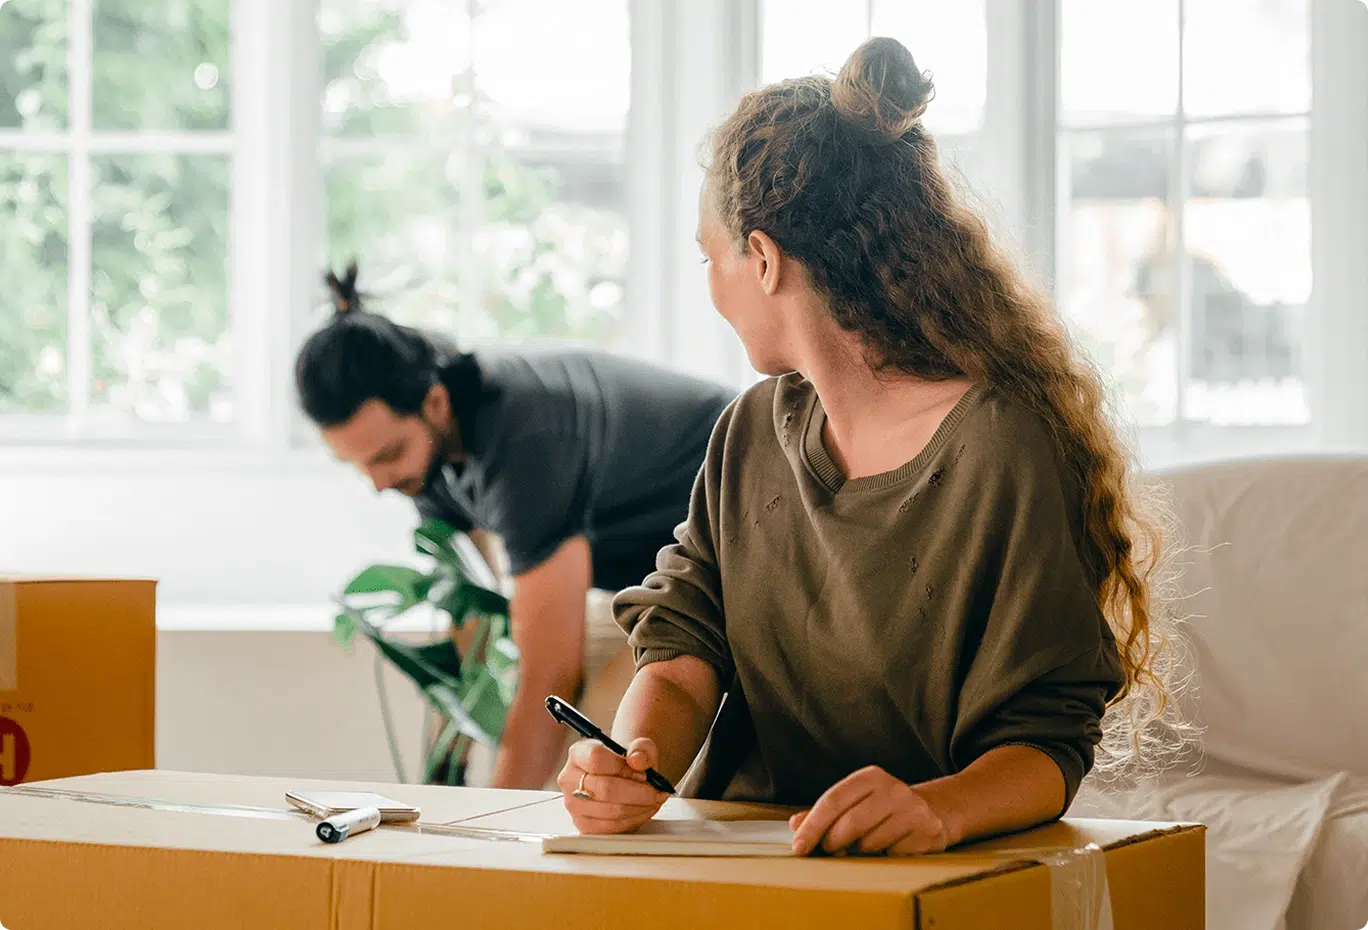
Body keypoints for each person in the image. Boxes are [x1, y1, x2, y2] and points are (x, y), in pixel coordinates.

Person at [554, 37, 1186, 856]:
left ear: (763, 259)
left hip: (923, 877)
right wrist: (631, 766)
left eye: (709, 257)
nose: (711, 285)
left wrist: (939, 810)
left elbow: (1046, 745)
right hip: (741, 876)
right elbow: (681, 648)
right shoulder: (749, 430)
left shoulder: (1004, 447)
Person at [295, 265, 736, 790]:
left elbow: (550, 672)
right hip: (646, 577)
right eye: (359, 465)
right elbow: (477, 612)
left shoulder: (524, 438)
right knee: (566, 756)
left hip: (737, 550)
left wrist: (485, 833)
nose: (378, 483)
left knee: (603, 763)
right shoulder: (426, 458)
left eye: (386, 456)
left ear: (435, 403)